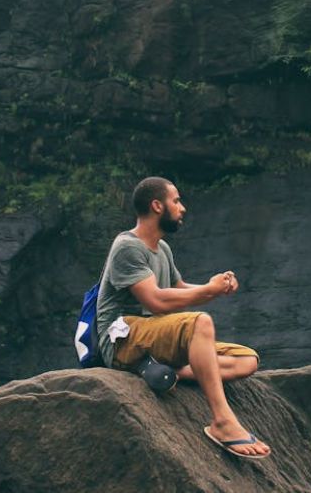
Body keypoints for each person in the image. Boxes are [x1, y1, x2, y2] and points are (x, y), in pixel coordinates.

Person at [94, 176, 271, 459]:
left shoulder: (162, 249)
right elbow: (155, 299)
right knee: (199, 322)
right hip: (122, 336)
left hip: (152, 334)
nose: (182, 207)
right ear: (156, 205)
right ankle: (223, 422)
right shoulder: (127, 246)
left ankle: (165, 370)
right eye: (176, 200)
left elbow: (179, 289)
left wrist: (215, 288)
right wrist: (208, 293)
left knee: (247, 360)